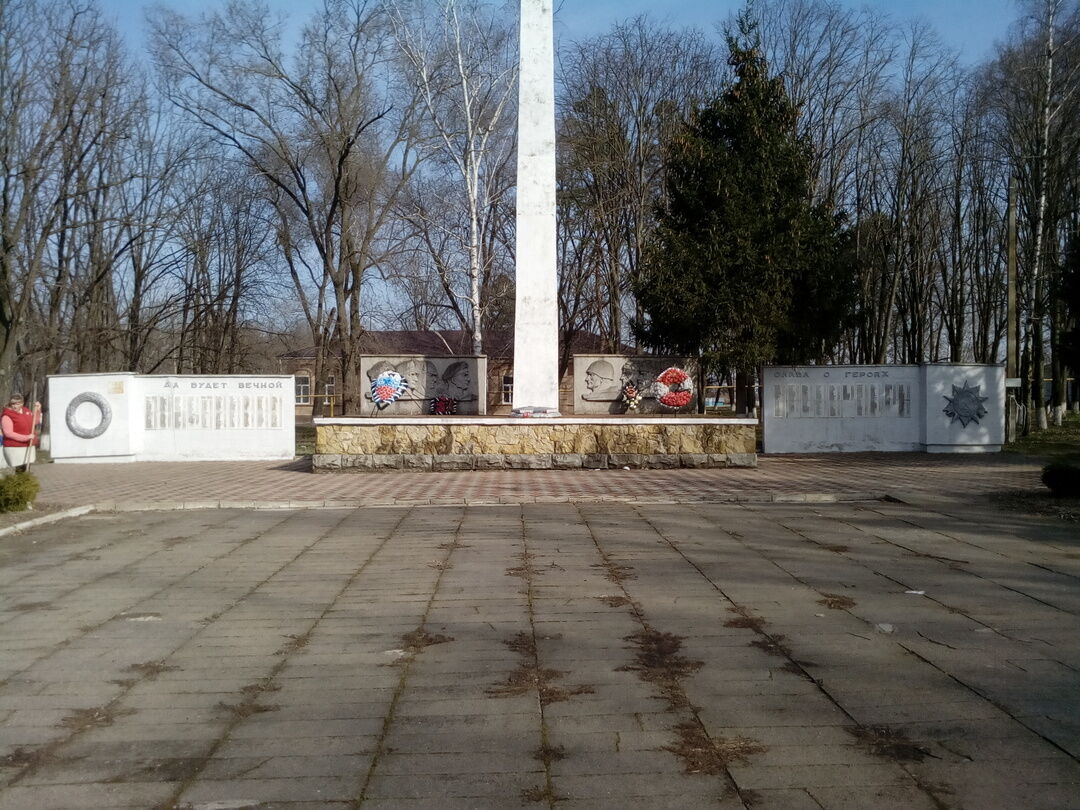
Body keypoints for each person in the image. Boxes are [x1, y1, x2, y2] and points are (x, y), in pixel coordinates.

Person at [2, 394, 41, 472]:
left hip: (28, 445)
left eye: (18, 403)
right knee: (19, 470)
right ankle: (19, 483)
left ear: (22, 403)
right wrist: (26, 437)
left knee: (27, 469)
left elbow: (35, 422)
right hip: (15, 447)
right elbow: (8, 433)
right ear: (10, 403)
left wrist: (38, 410)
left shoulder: (26, 411)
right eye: (13, 404)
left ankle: (25, 482)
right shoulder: (7, 415)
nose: (15, 406)